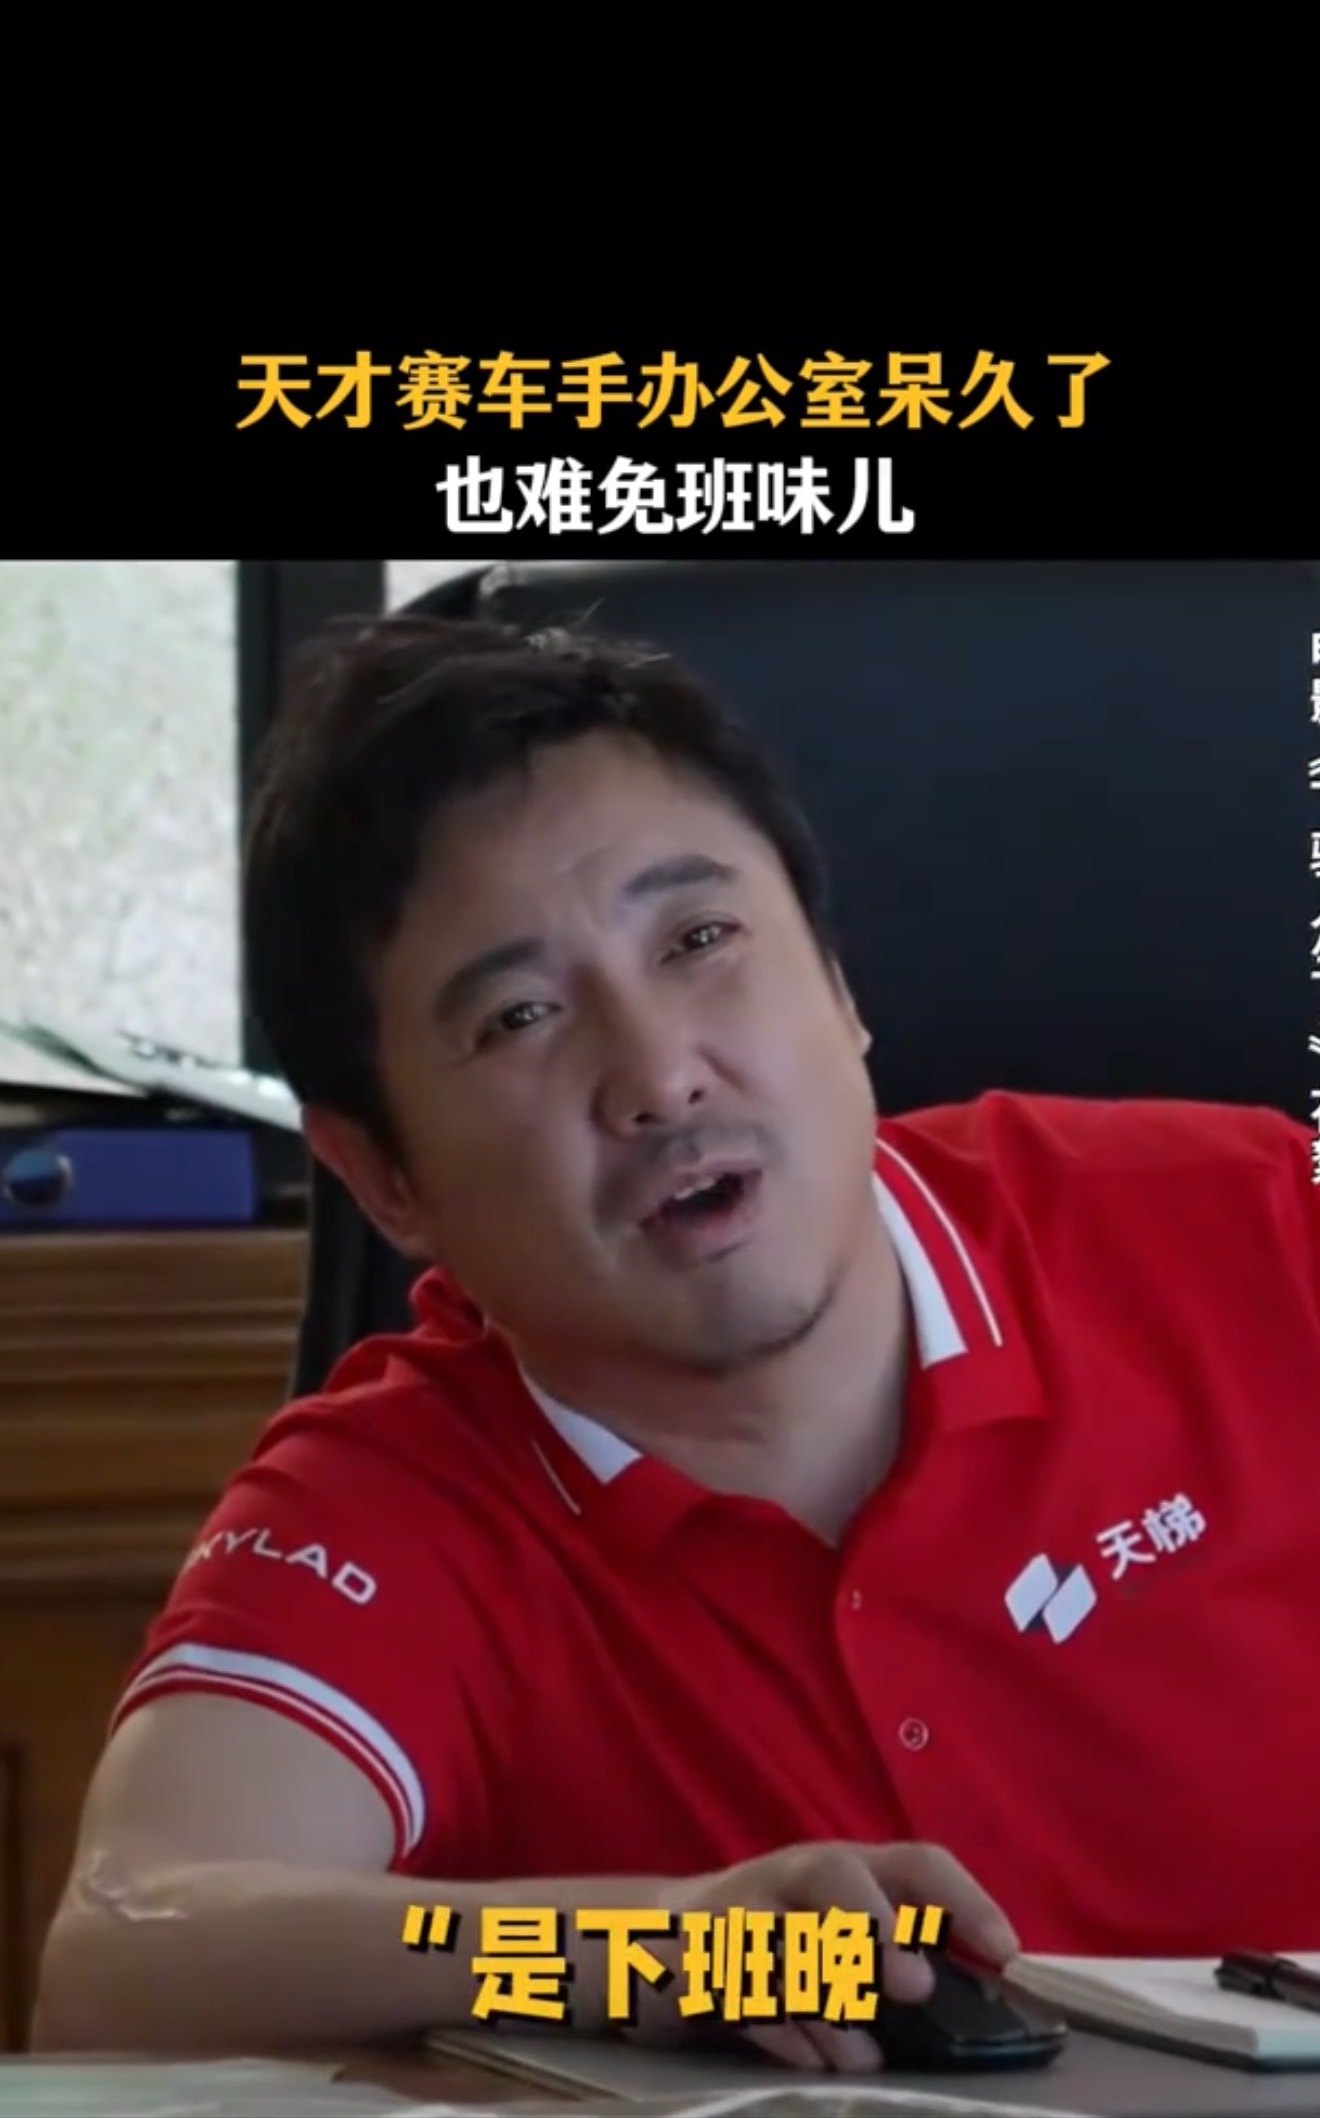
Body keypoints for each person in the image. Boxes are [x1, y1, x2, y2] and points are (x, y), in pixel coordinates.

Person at [35, 614, 1320, 2062]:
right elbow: (124, 1956)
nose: (657, 1075)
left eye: (699, 941)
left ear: (838, 981)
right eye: (520, 1016)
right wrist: (631, 1946)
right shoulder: (400, 1499)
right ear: (384, 1179)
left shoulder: (1260, 1223)